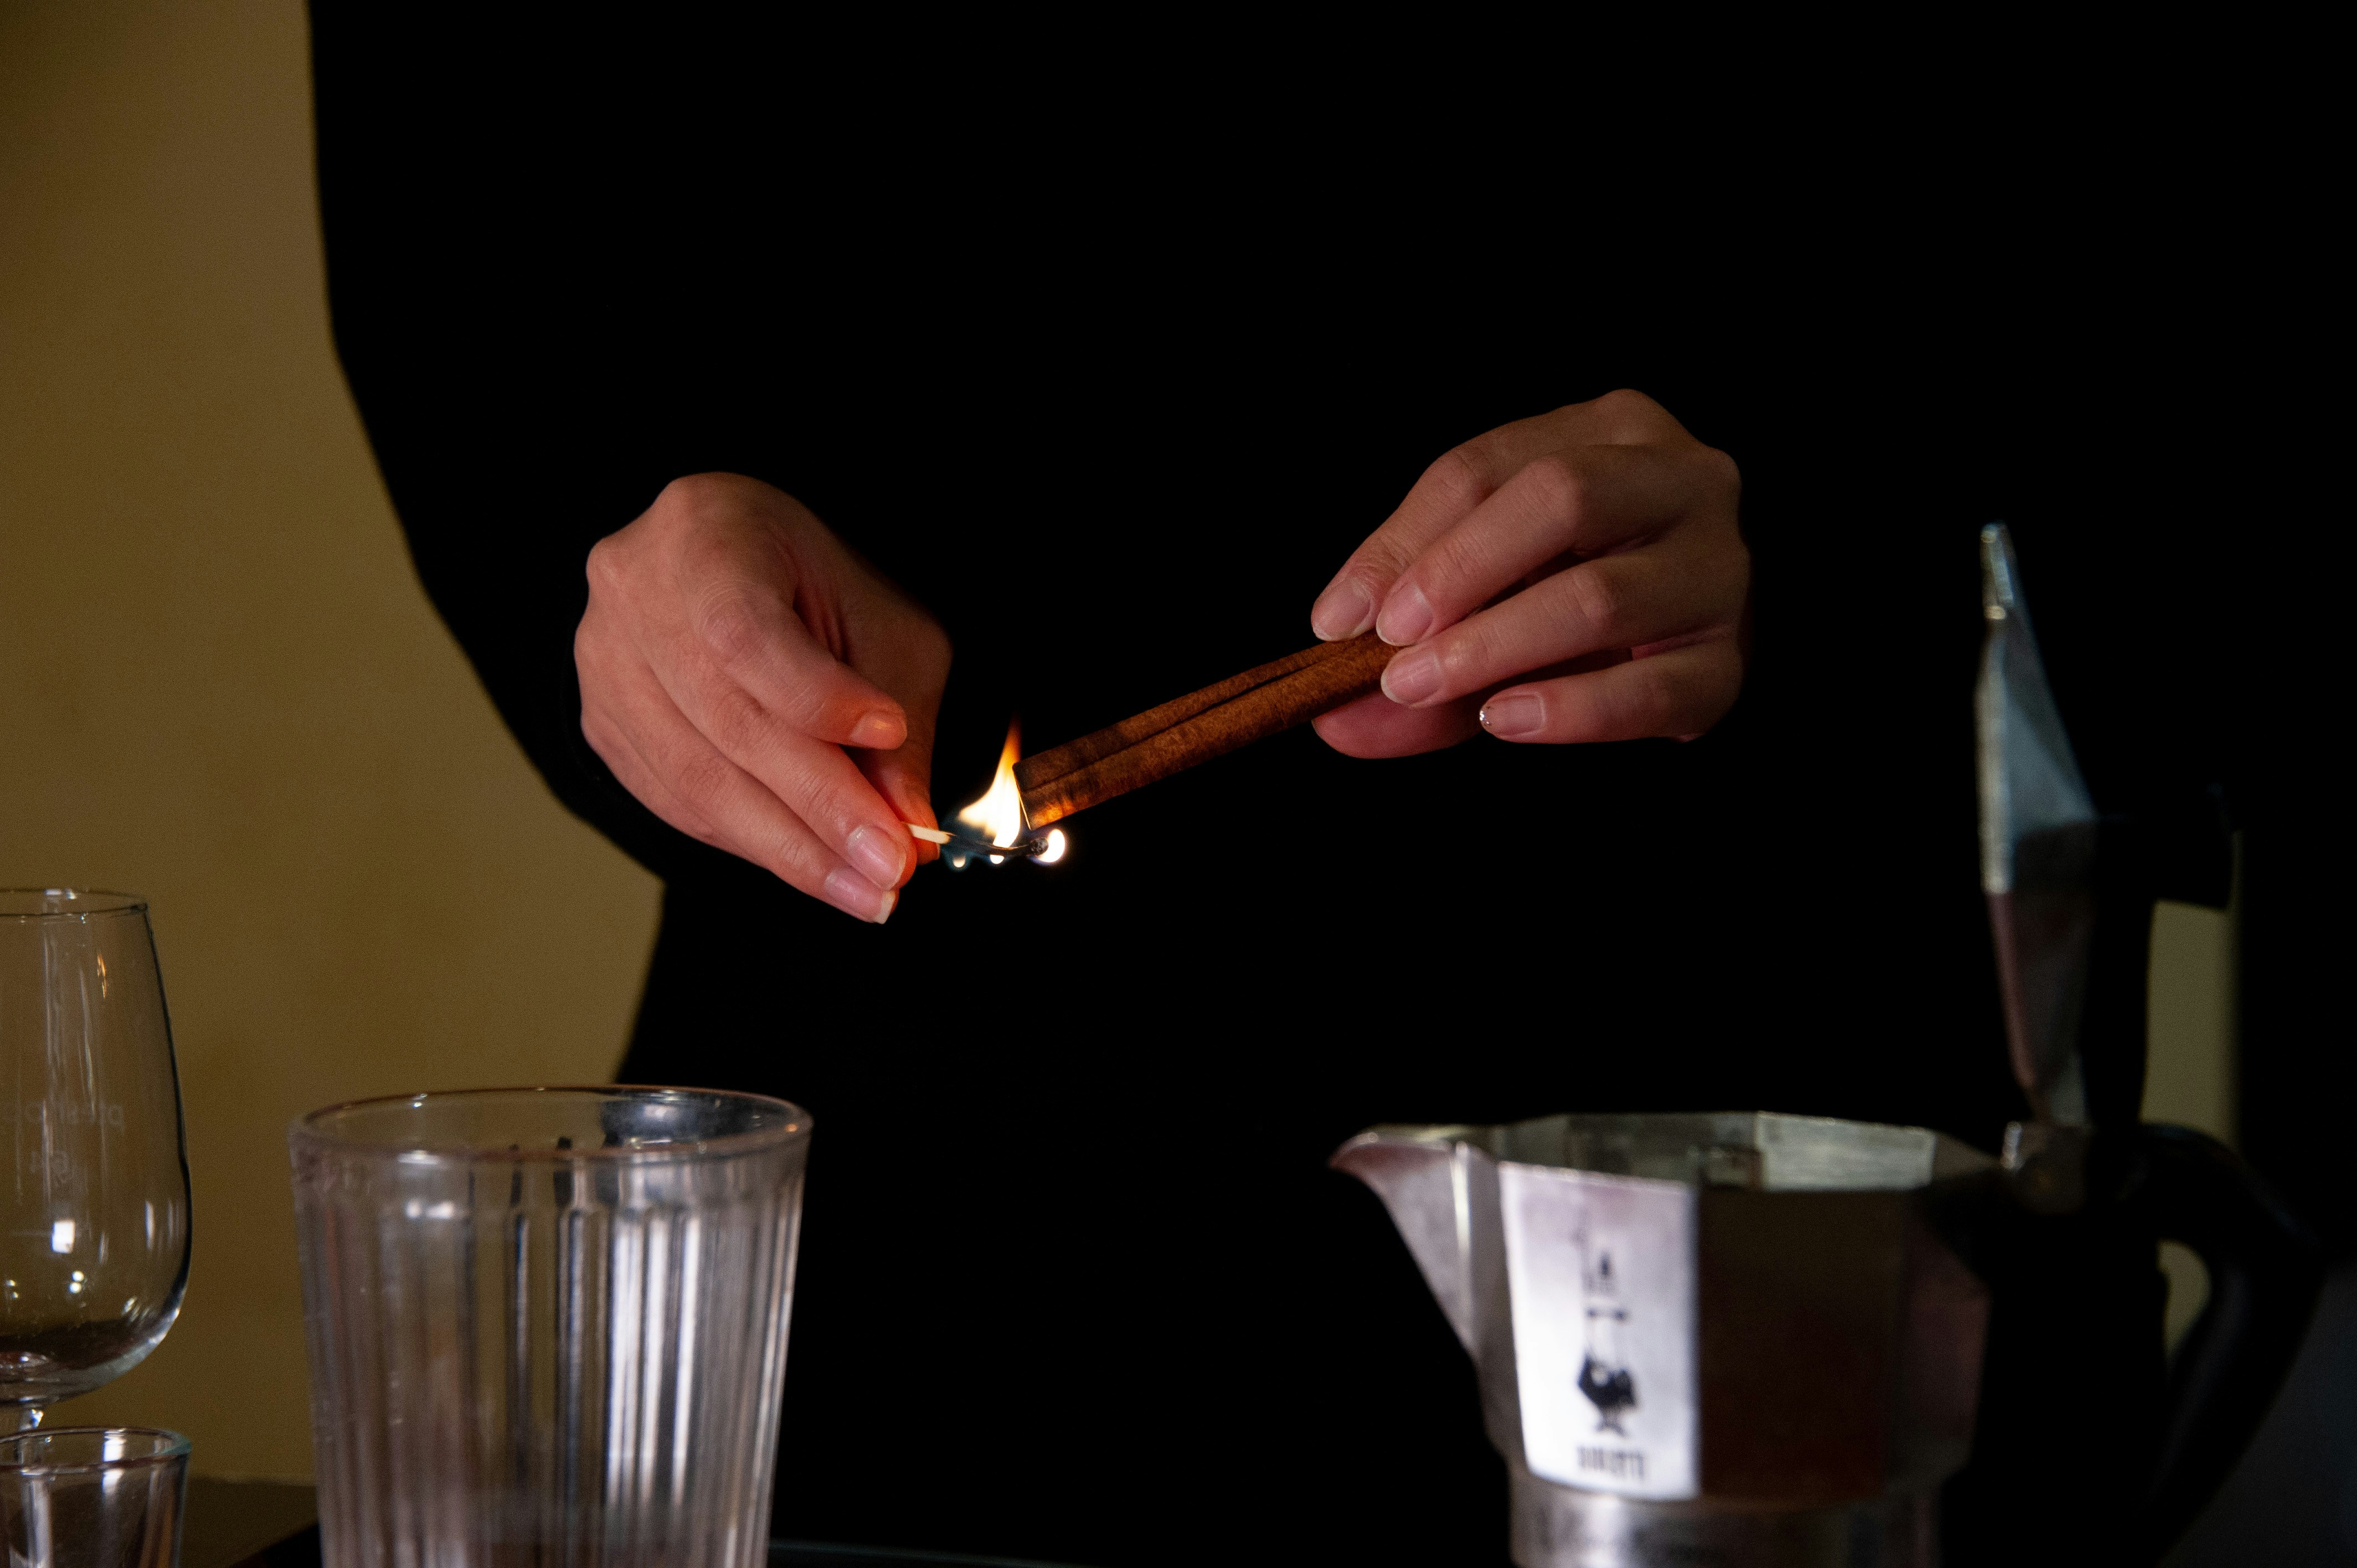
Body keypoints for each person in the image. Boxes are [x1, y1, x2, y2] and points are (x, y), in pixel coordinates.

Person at [307, 18, 2306, 1564]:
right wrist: (623, 555)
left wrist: (1825, 527)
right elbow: (474, 270)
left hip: (1748, 1281)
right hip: (928, 1304)